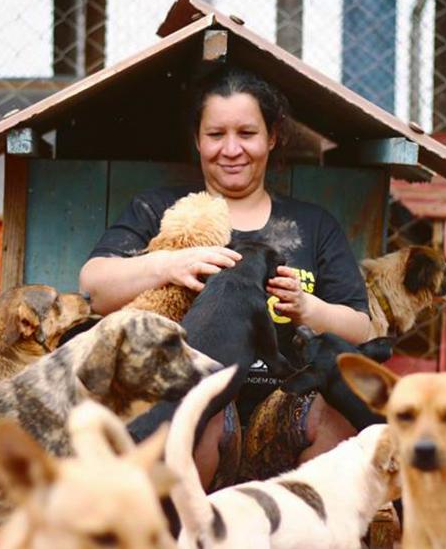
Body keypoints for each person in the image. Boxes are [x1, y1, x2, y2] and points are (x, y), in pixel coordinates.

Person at [79, 66, 373, 485]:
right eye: (216, 135)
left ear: (272, 137)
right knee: (197, 406)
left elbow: (360, 326)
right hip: (200, 401)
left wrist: (311, 308)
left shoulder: (313, 224)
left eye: (247, 134)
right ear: (197, 140)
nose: (231, 149)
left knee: (338, 414)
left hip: (287, 403)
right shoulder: (163, 212)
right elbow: (94, 285)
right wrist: (167, 264)